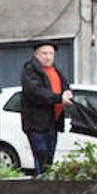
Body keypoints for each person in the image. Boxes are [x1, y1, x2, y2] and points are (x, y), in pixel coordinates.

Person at [19, 41, 73, 175]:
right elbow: (36, 92)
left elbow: (65, 85)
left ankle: (47, 183)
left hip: (52, 122)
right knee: (41, 154)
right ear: (36, 55)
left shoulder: (56, 70)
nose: (48, 57)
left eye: (51, 53)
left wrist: (67, 92)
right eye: (44, 53)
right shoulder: (30, 70)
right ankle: (41, 184)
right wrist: (59, 98)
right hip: (36, 122)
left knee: (49, 157)